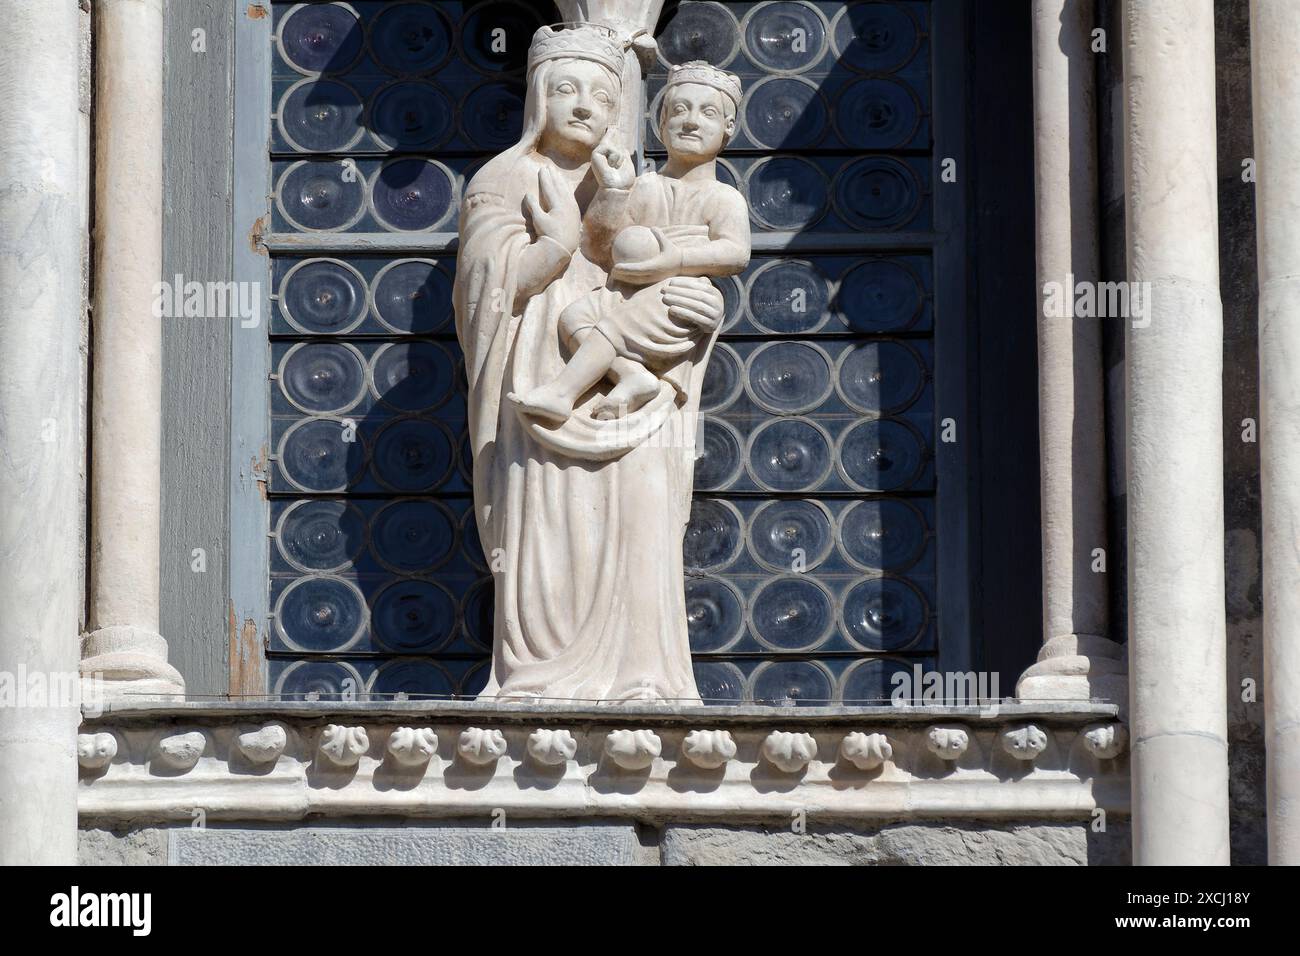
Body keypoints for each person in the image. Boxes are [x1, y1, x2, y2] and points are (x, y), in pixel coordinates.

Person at [452, 25, 728, 703]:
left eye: (602, 96)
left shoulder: (634, 180)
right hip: (540, 372)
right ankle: (540, 676)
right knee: (549, 523)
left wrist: (699, 313)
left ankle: (644, 674)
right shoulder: (506, 176)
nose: (583, 106)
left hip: (636, 382)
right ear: (538, 97)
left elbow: (651, 261)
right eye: (566, 89)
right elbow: (487, 286)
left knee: (640, 510)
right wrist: (554, 245)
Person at [507, 61, 750, 424]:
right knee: (576, 317)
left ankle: (562, 394)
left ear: (728, 128)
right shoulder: (645, 186)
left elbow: (736, 252)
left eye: (708, 113)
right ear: (661, 123)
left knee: (613, 326)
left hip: (678, 295)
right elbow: (597, 247)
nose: (691, 121)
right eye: (679, 110)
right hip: (626, 289)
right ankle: (632, 376)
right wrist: (615, 191)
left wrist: (676, 261)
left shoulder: (723, 197)